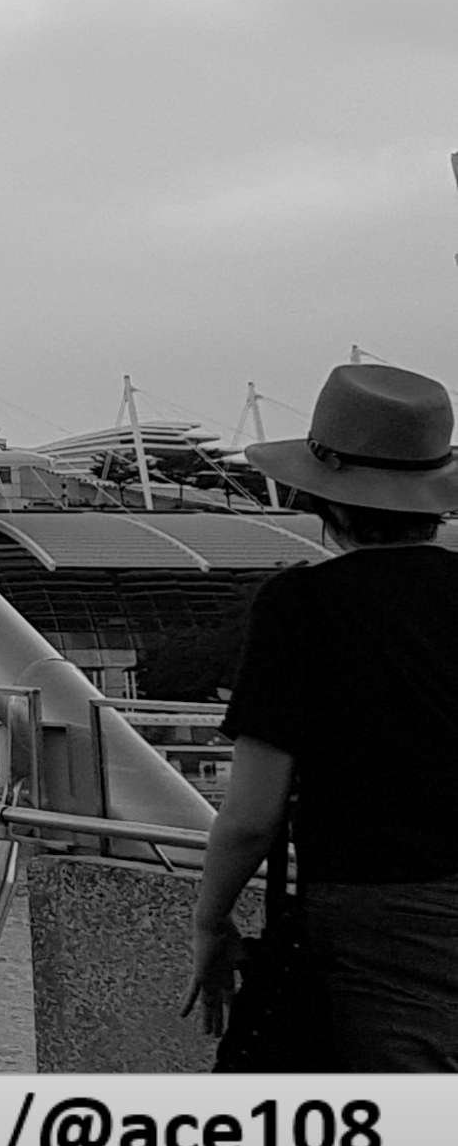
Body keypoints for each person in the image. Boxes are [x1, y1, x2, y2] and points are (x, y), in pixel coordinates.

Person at [188, 362, 458, 1069]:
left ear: (322, 495)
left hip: (376, 920)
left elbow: (250, 815)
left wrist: (209, 922)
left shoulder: (300, 606)